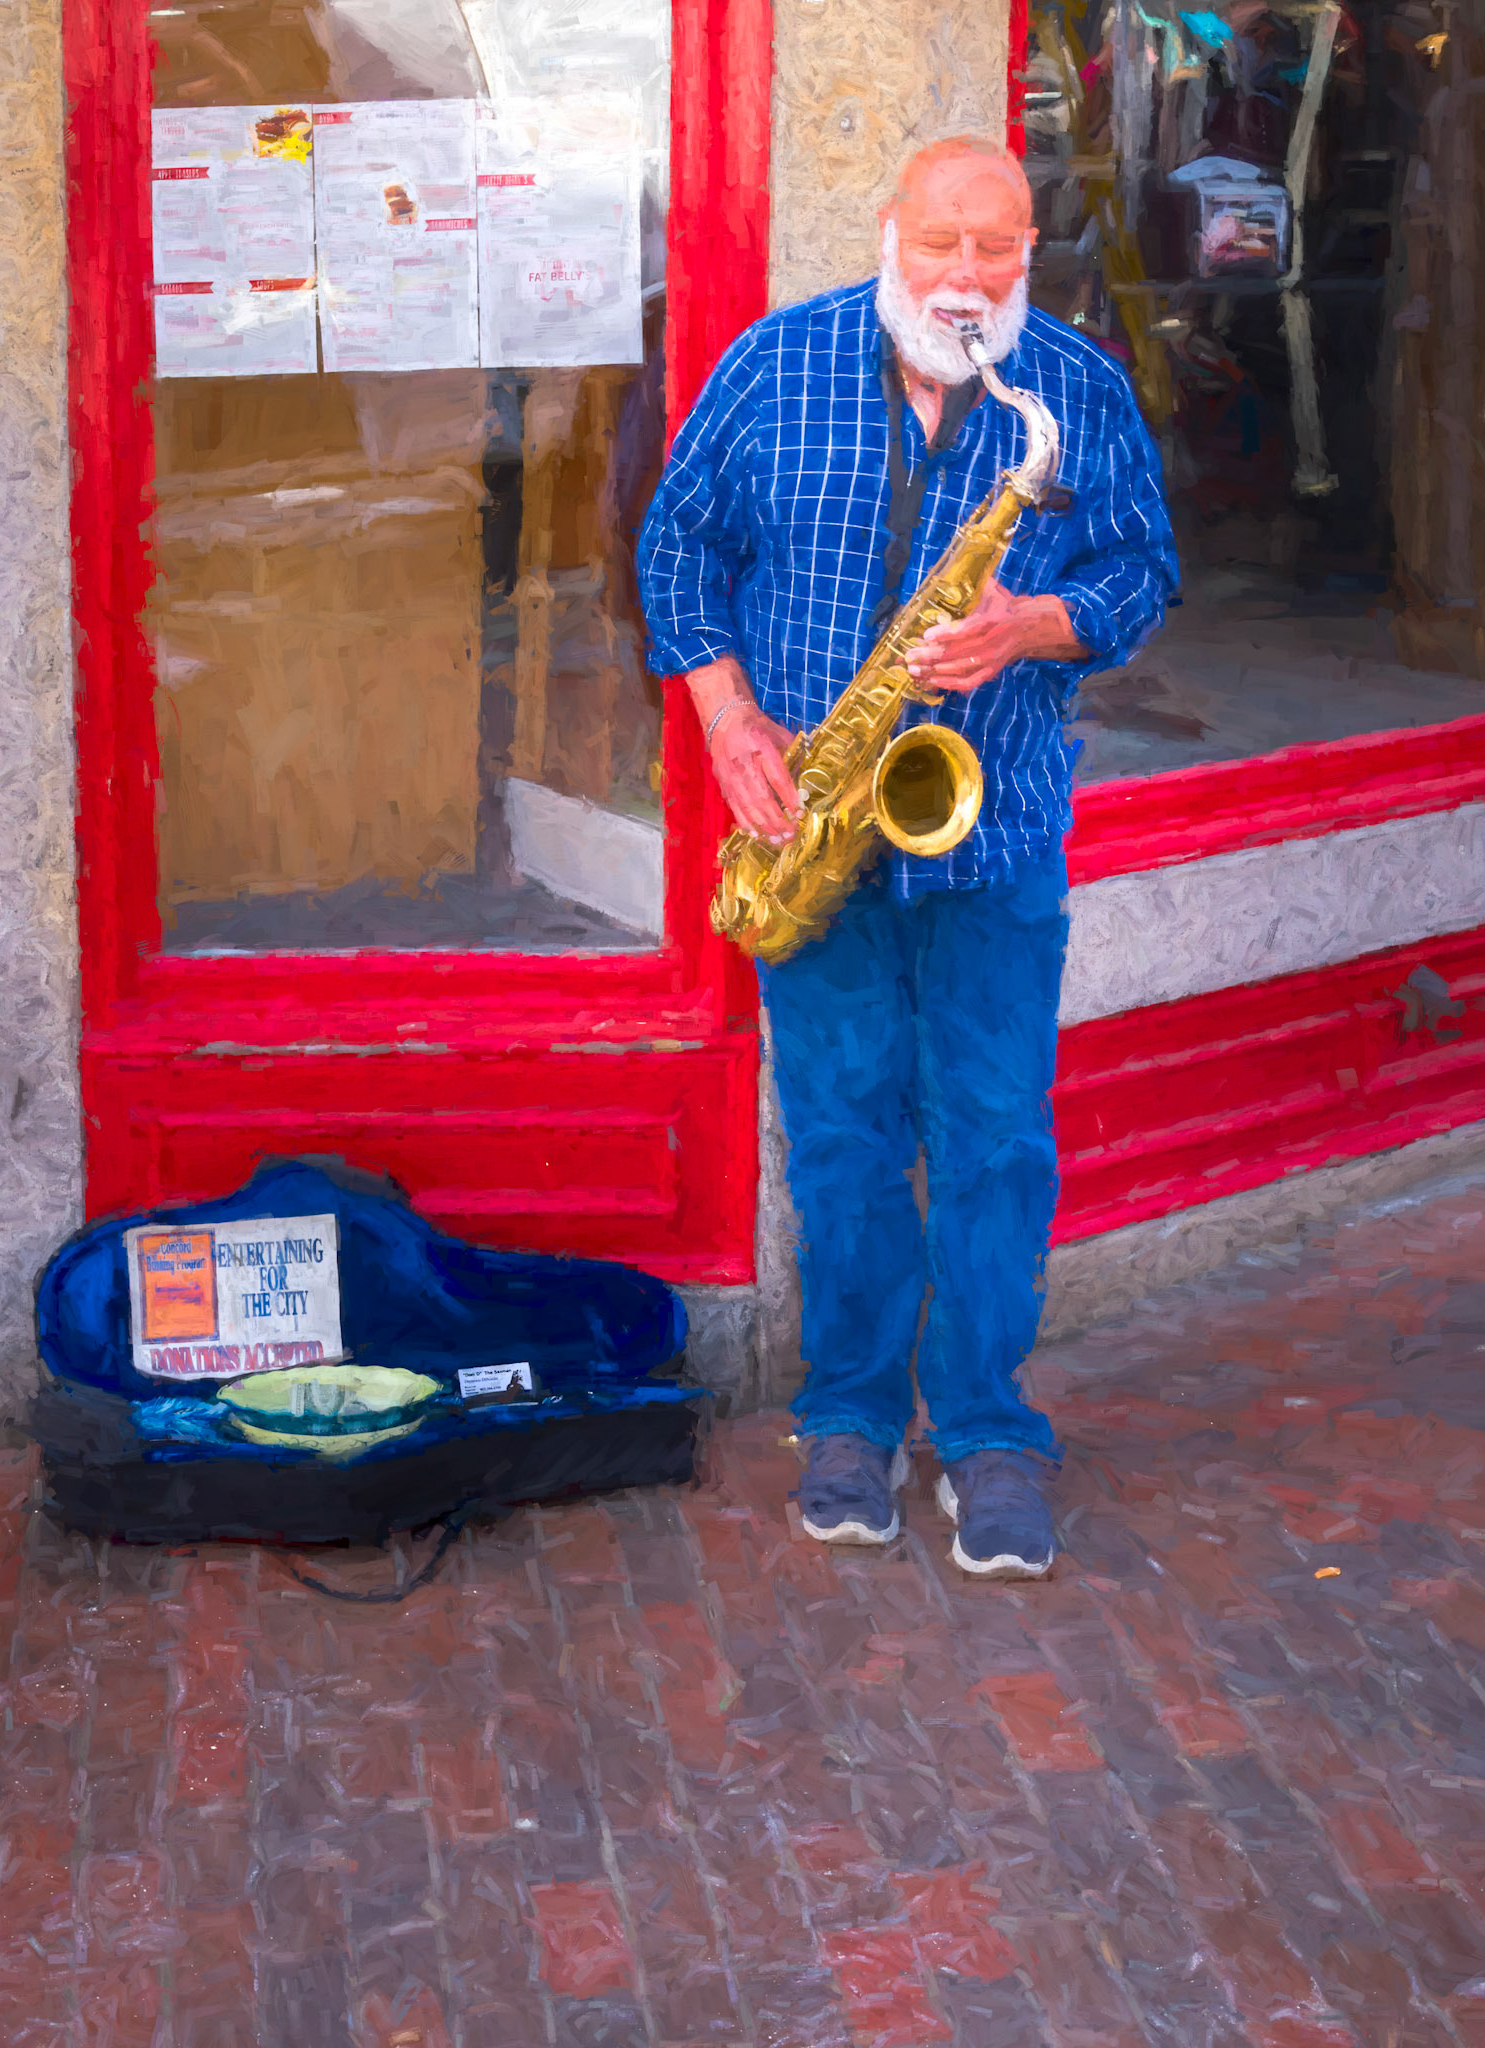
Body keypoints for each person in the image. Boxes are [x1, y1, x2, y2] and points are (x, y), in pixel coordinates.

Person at [637, 136, 1178, 1578]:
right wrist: (726, 716)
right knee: (843, 1140)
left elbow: (1138, 571)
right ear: (889, 233)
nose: (965, 275)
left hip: (987, 823)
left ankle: (990, 1434)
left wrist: (1031, 626)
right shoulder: (776, 361)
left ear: (1025, 252)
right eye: (940, 242)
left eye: (995, 248)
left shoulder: (1068, 387)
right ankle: (851, 1419)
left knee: (994, 1137)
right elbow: (674, 545)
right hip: (810, 817)